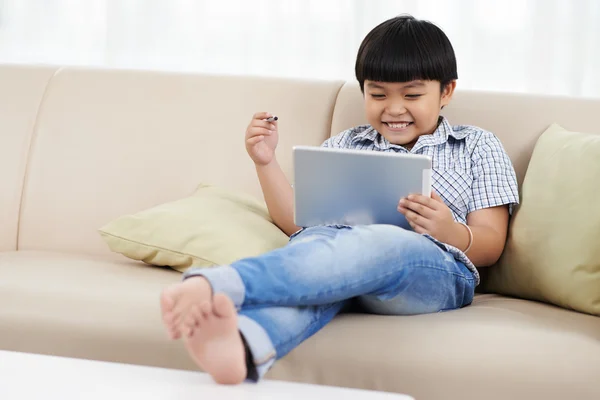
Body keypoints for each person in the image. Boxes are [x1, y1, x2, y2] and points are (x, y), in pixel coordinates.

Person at [160, 14, 519, 385]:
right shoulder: (347, 143)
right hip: (337, 261)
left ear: (446, 91)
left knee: (377, 240)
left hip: (431, 271)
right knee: (319, 246)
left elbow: (491, 244)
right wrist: (265, 161)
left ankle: (225, 282)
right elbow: (300, 222)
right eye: (378, 94)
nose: (394, 109)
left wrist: (450, 232)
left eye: (411, 95)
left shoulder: (477, 145)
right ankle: (244, 345)